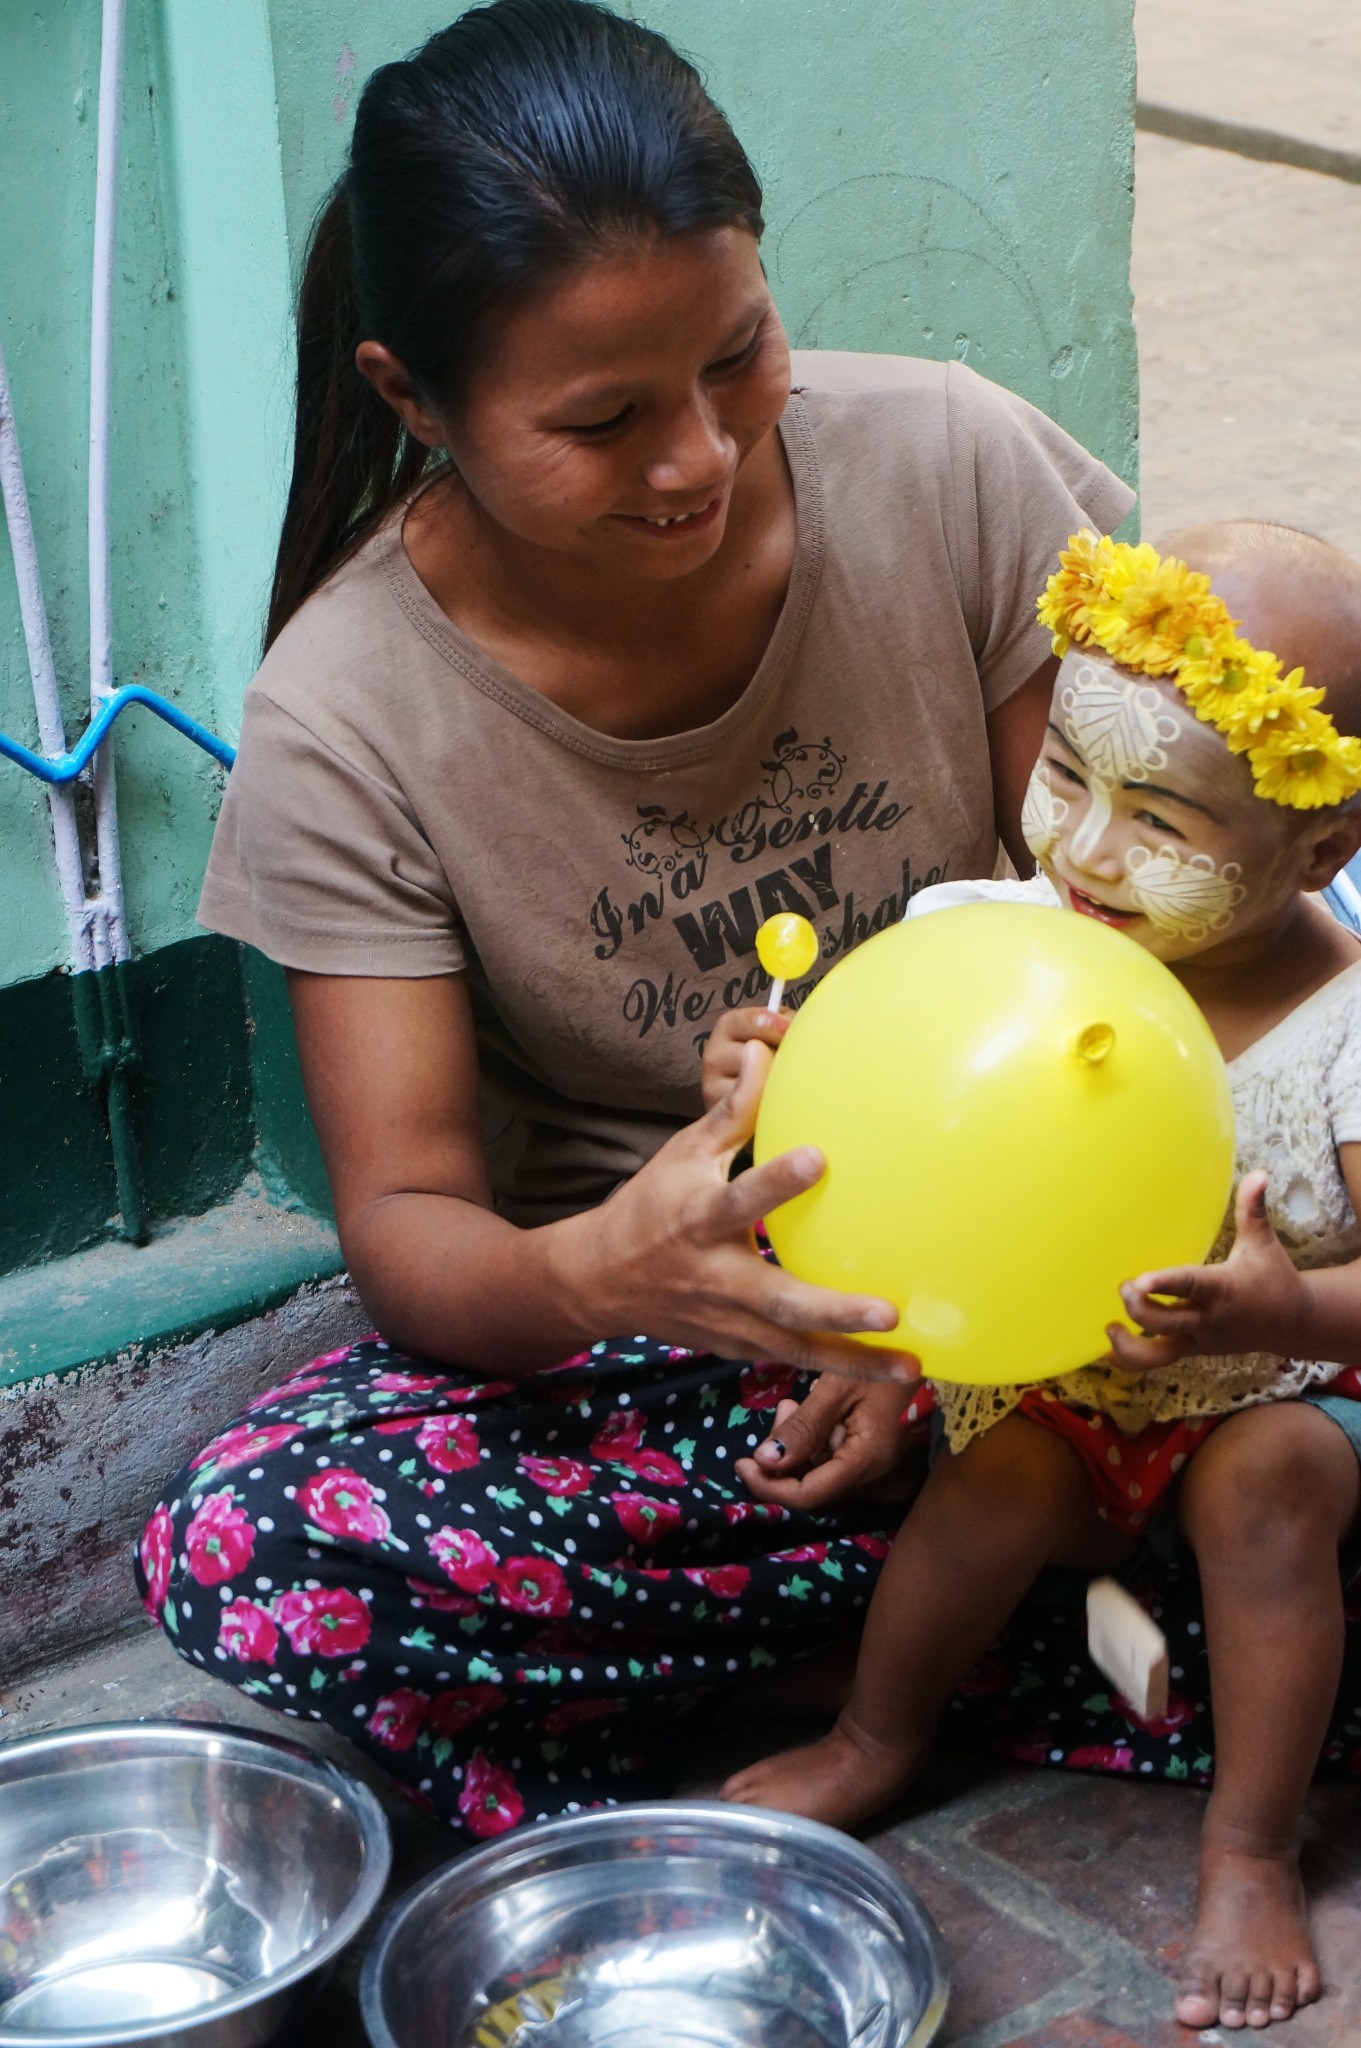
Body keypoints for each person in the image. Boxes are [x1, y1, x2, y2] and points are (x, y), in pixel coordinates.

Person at [136, 0, 1133, 1839]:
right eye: (599, 421)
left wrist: (952, 1328)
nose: (698, 459)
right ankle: (1074, 1643)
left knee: (1277, 1365)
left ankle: (935, 1653)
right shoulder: (349, 711)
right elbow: (419, 1229)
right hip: (707, 1370)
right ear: (408, 398)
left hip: (1084, 1283)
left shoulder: (948, 466)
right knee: (251, 1543)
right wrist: (610, 1270)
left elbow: (1137, 937)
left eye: (737, 357)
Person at [722, 521, 1361, 2034]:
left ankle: (1248, 1842)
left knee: (1259, 1489)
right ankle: (878, 1737)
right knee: (992, 1485)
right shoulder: (987, 952)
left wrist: (1285, 1310)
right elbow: (898, 1189)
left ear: (1318, 851)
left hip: (1282, 1388)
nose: (1079, 849)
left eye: (1160, 820)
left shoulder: (1344, 1036)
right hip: (1054, 1388)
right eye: (1066, 776)